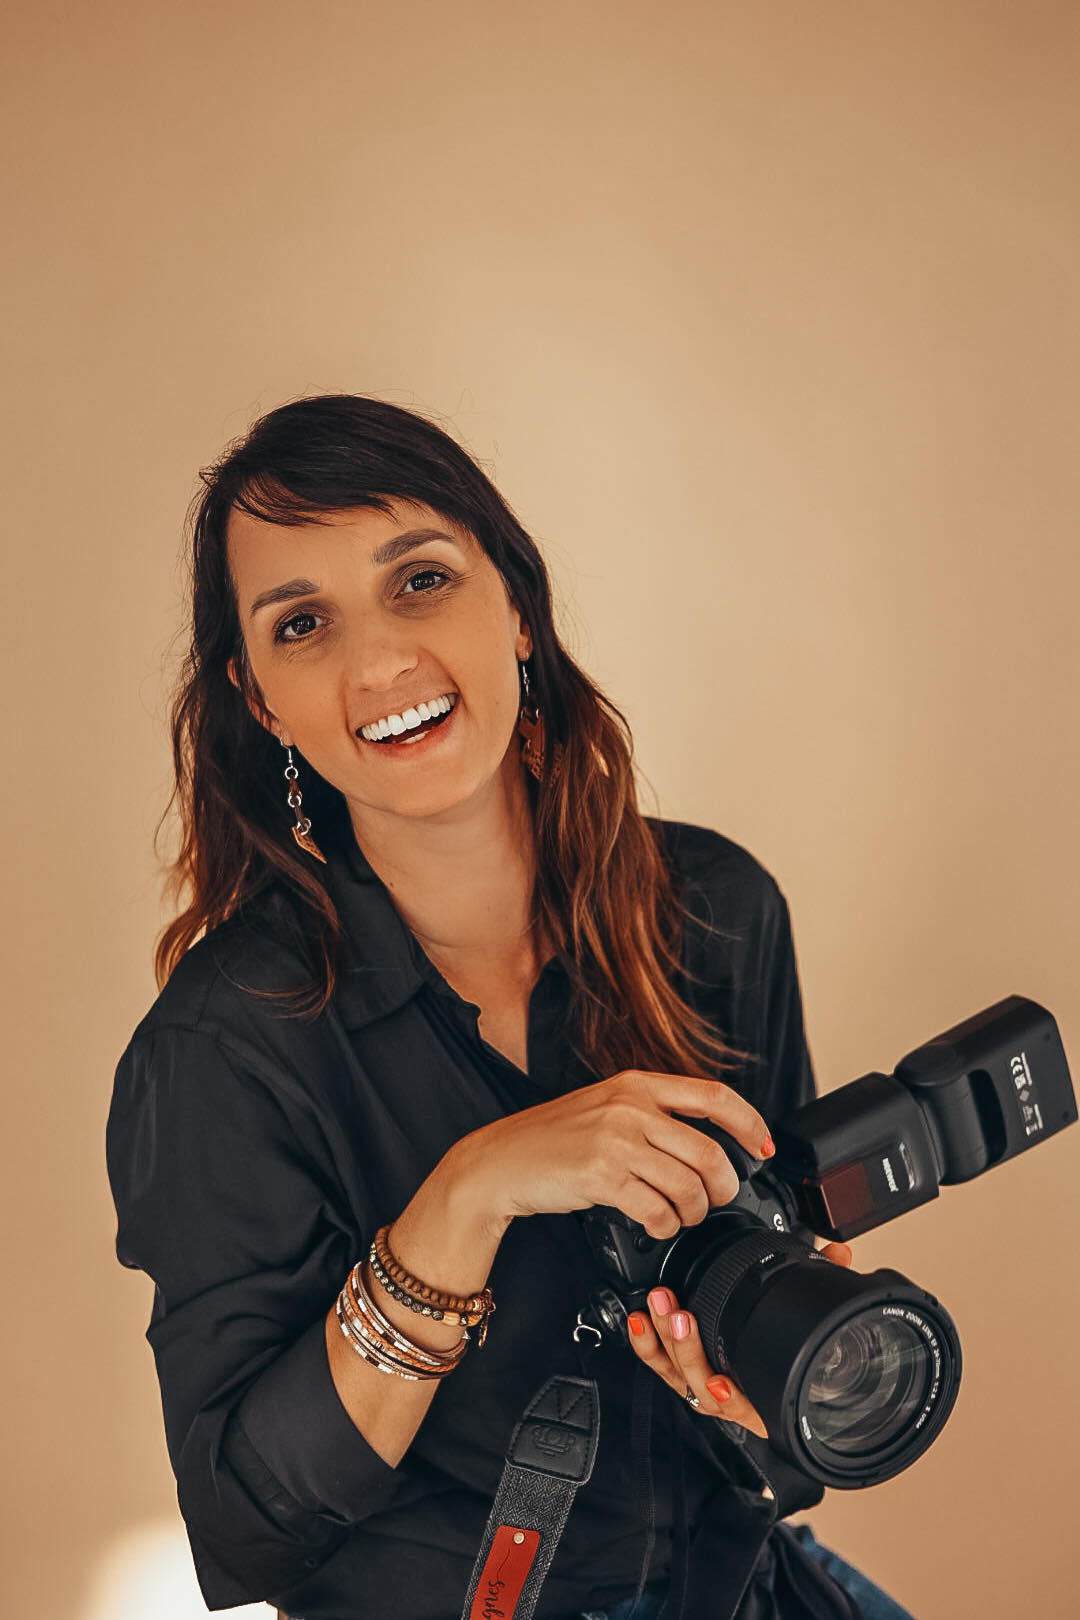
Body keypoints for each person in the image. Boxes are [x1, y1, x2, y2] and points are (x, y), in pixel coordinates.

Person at [107, 395, 915, 1620]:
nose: (379, 663)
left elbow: (784, 1442)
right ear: (260, 697)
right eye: (303, 622)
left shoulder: (718, 910)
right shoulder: (224, 1048)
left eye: (420, 580)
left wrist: (765, 1387)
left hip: (743, 1590)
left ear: (518, 606)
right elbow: (244, 1522)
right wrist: (467, 1193)